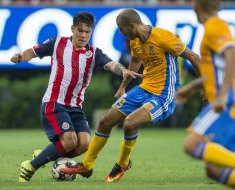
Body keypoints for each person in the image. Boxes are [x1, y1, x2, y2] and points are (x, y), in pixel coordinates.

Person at [60, 8, 200, 182]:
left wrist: (207, 87)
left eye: (121, 28)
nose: (120, 32)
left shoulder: (163, 36)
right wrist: (123, 86)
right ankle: (86, 166)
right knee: (105, 121)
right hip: (143, 89)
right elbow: (135, 61)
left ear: (131, 26)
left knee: (129, 123)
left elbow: (194, 57)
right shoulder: (135, 41)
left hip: (163, 95)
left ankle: (122, 164)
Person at [10, 11, 141, 182]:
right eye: (80, 30)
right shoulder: (57, 43)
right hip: (54, 103)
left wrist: (123, 70)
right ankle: (30, 166)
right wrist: (21, 57)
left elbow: (111, 64)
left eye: (87, 32)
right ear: (72, 29)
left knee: (85, 144)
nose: (83, 35)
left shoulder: (94, 53)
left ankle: (43, 155)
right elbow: (34, 52)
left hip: (75, 107)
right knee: (70, 141)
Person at [176, 0, 235, 187]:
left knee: (191, 144)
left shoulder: (214, 25)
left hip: (226, 101)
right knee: (214, 169)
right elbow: (218, 69)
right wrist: (192, 87)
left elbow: (232, 54)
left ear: (196, 6)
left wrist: (223, 94)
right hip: (226, 99)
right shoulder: (213, 27)